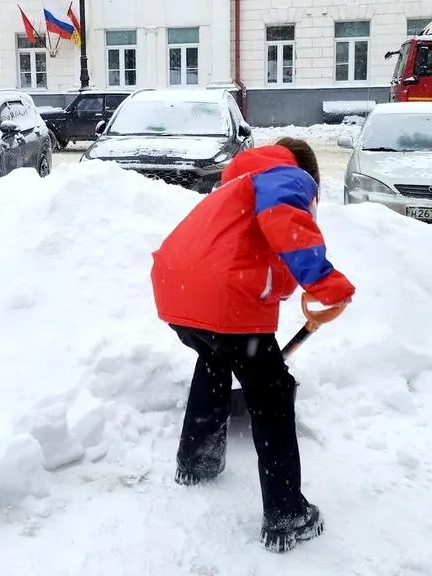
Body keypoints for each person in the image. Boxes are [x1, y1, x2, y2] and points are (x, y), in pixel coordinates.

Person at [150, 137, 356, 553]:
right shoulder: (285, 175)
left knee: (213, 362)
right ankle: (287, 515)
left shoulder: (237, 184)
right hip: (222, 298)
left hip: (178, 291)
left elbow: (254, 250)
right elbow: (285, 222)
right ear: (306, 172)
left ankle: (197, 462)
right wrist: (325, 283)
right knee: (272, 396)